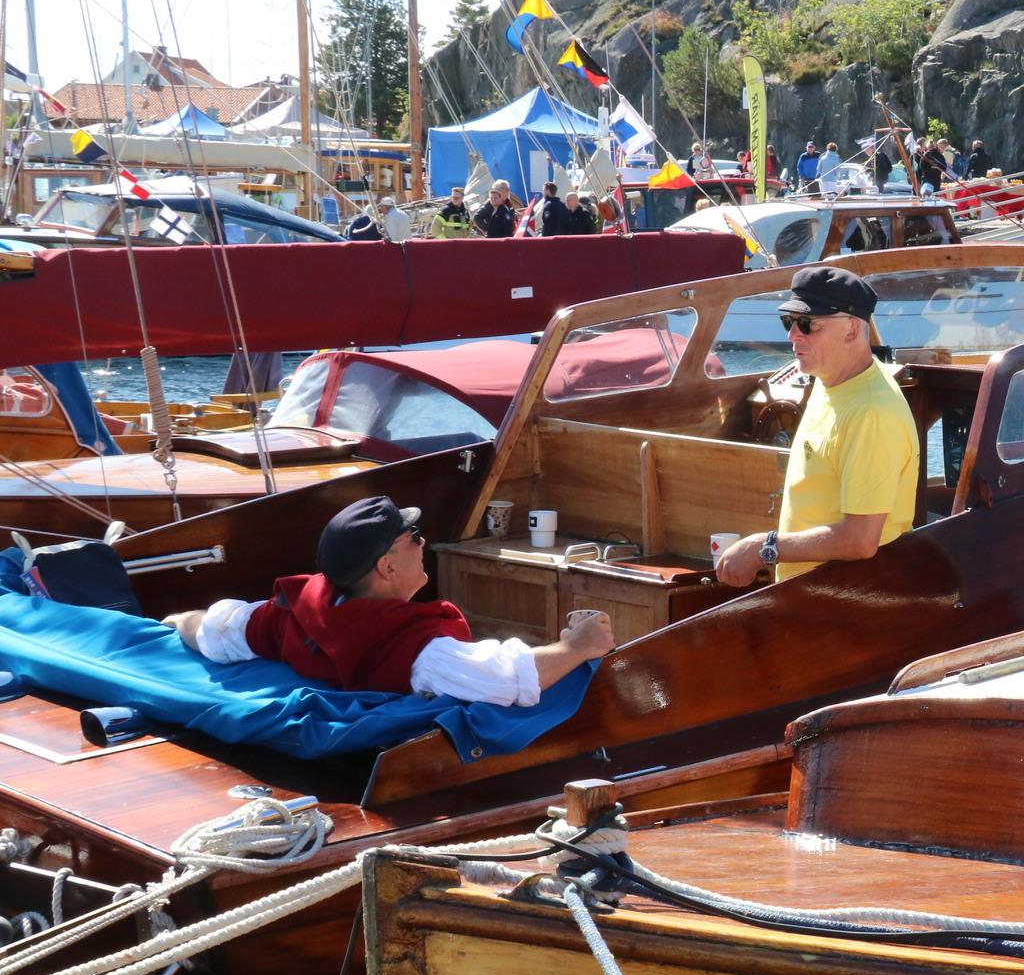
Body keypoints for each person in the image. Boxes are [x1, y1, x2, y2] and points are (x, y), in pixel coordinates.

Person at [165, 496, 615, 704]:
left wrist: (173, 619)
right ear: (386, 567)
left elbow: (214, 630)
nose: (424, 543)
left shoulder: (289, 613)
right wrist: (577, 646)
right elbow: (507, 680)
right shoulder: (415, 648)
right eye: (414, 537)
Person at [714, 267, 919, 588]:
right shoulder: (830, 383)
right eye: (789, 322)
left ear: (852, 329)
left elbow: (860, 540)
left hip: (845, 607)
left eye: (808, 324)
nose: (792, 335)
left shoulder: (872, 412)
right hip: (813, 599)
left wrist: (764, 548)